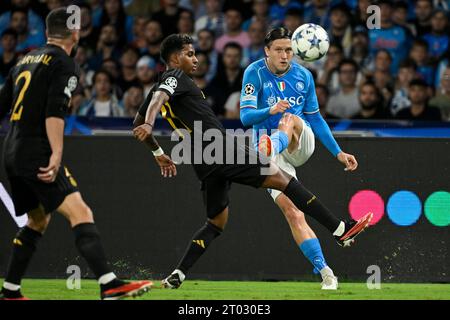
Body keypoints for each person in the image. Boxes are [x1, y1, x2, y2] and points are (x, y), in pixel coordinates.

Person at [133, 33, 373, 290]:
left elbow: (136, 123)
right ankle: (339, 229)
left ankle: (178, 274)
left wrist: (158, 153)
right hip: (220, 148)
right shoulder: (175, 77)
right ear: (174, 58)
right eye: (190, 54)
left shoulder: (162, 86)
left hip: (202, 160)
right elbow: (154, 106)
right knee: (284, 181)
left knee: (215, 223)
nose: (195, 58)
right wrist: (150, 122)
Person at [0, 7, 151, 300]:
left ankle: (11, 289)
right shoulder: (63, 63)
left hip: (12, 150)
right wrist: (56, 154)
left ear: (46, 33)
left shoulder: (23, 61)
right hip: (37, 150)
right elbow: (54, 112)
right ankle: (109, 284)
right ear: (75, 33)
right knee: (80, 212)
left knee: (38, 221)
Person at [239, 27, 371, 290]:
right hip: (273, 153)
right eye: (279, 50)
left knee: (289, 119)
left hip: (299, 141)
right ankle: (327, 272)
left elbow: (316, 118)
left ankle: (270, 145)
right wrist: (270, 109)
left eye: (289, 50)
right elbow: (245, 118)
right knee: (294, 213)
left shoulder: (304, 77)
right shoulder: (254, 73)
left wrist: (338, 152)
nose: (285, 55)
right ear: (267, 51)